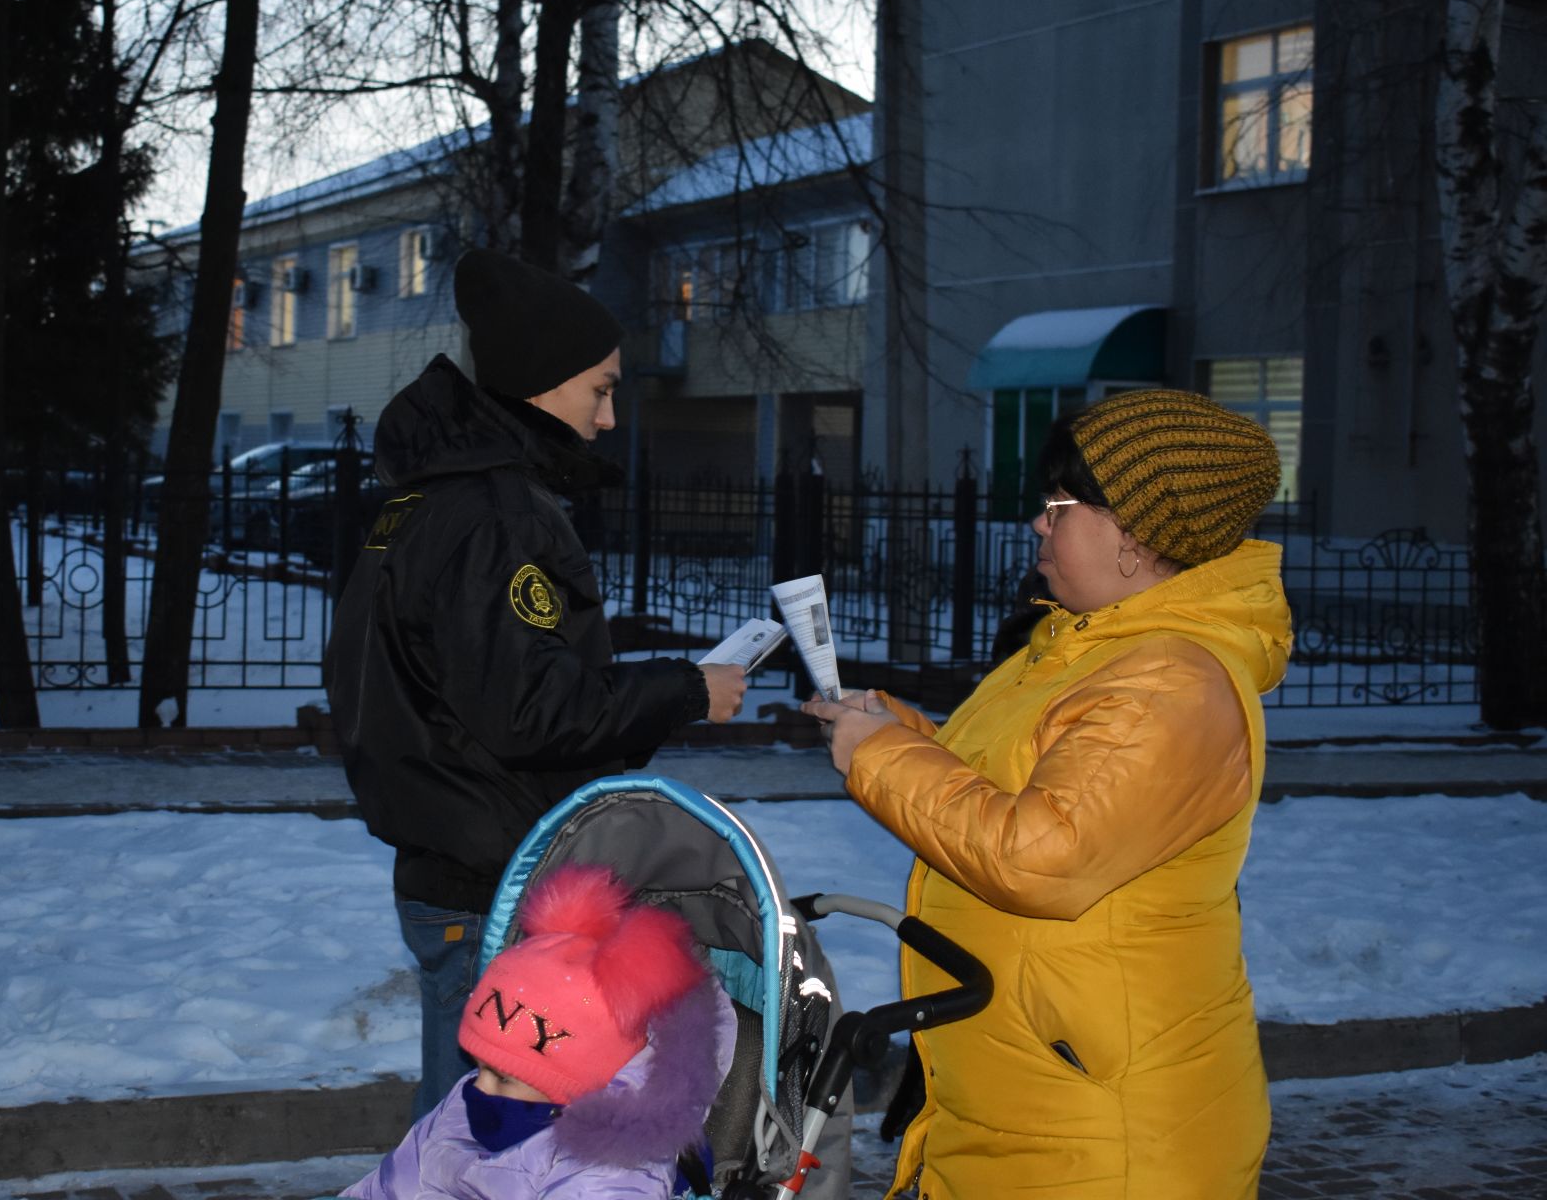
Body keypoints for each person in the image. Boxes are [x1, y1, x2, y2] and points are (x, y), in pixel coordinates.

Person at [803, 389, 1290, 1199]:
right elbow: (1006, 786)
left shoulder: (1168, 681)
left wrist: (882, 759)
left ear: (1134, 536)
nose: (1039, 523)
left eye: (1061, 505)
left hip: (1102, 1127)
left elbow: (1040, 855)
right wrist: (899, 732)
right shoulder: (1084, 647)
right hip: (1027, 1089)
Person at [324, 248, 748, 1118]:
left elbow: (476, 677)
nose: (607, 416)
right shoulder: (493, 513)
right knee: (485, 1131)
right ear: (543, 383)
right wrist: (686, 690)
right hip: (489, 879)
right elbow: (529, 710)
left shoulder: (436, 498)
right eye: (598, 389)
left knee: (473, 1117)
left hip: (456, 862)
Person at [342, 864, 735, 1200]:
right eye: (480, 1066)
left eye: (504, 1077)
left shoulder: (612, 1167)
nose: (479, 1088)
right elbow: (395, 1183)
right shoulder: (467, 1106)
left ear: (579, 1086)